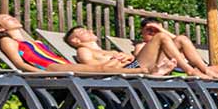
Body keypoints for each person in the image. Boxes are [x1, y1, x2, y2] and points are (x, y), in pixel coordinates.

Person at [0, 14, 148, 75]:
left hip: (61, 64)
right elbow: (18, 63)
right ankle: (145, 70)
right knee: (99, 69)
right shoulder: (7, 40)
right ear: (0, 28)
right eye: (7, 19)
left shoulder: (34, 41)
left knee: (104, 67)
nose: (13, 18)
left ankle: (142, 69)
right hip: (49, 68)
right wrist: (41, 74)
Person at [64, 25, 201, 74]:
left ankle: (203, 69)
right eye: (82, 32)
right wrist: (116, 60)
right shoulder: (83, 51)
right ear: (75, 41)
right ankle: (189, 70)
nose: (89, 31)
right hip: (132, 69)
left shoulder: (105, 50)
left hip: (134, 64)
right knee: (160, 37)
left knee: (181, 39)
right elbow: (95, 69)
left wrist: (126, 57)